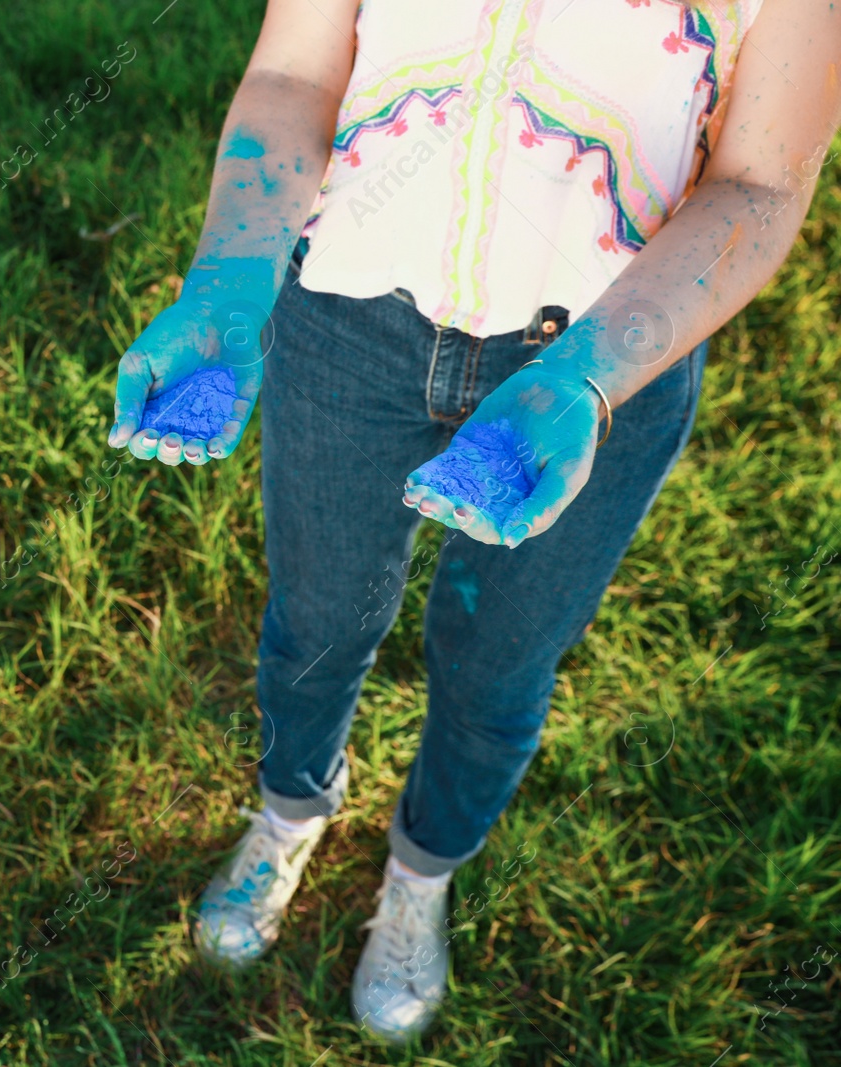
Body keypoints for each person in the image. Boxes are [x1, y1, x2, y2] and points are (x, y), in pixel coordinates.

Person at [110, 0, 839, 1043]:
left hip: (605, 357)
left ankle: (421, 869)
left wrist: (587, 376)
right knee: (315, 621)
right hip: (345, 320)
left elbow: (760, 183)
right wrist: (229, 274)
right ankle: (290, 808)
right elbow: (294, 75)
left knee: (498, 665)